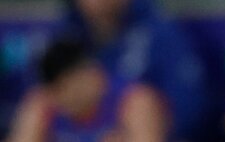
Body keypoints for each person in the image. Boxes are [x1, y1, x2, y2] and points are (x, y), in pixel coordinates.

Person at [57, 0, 206, 140]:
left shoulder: (159, 34)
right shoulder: (64, 35)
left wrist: (136, 129)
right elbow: (47, 99)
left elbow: (189, 104)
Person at [4, 37, 168, 142]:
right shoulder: (42, 102)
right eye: (56, 91)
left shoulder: (135, 100)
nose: (60, 99)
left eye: (65, 88)